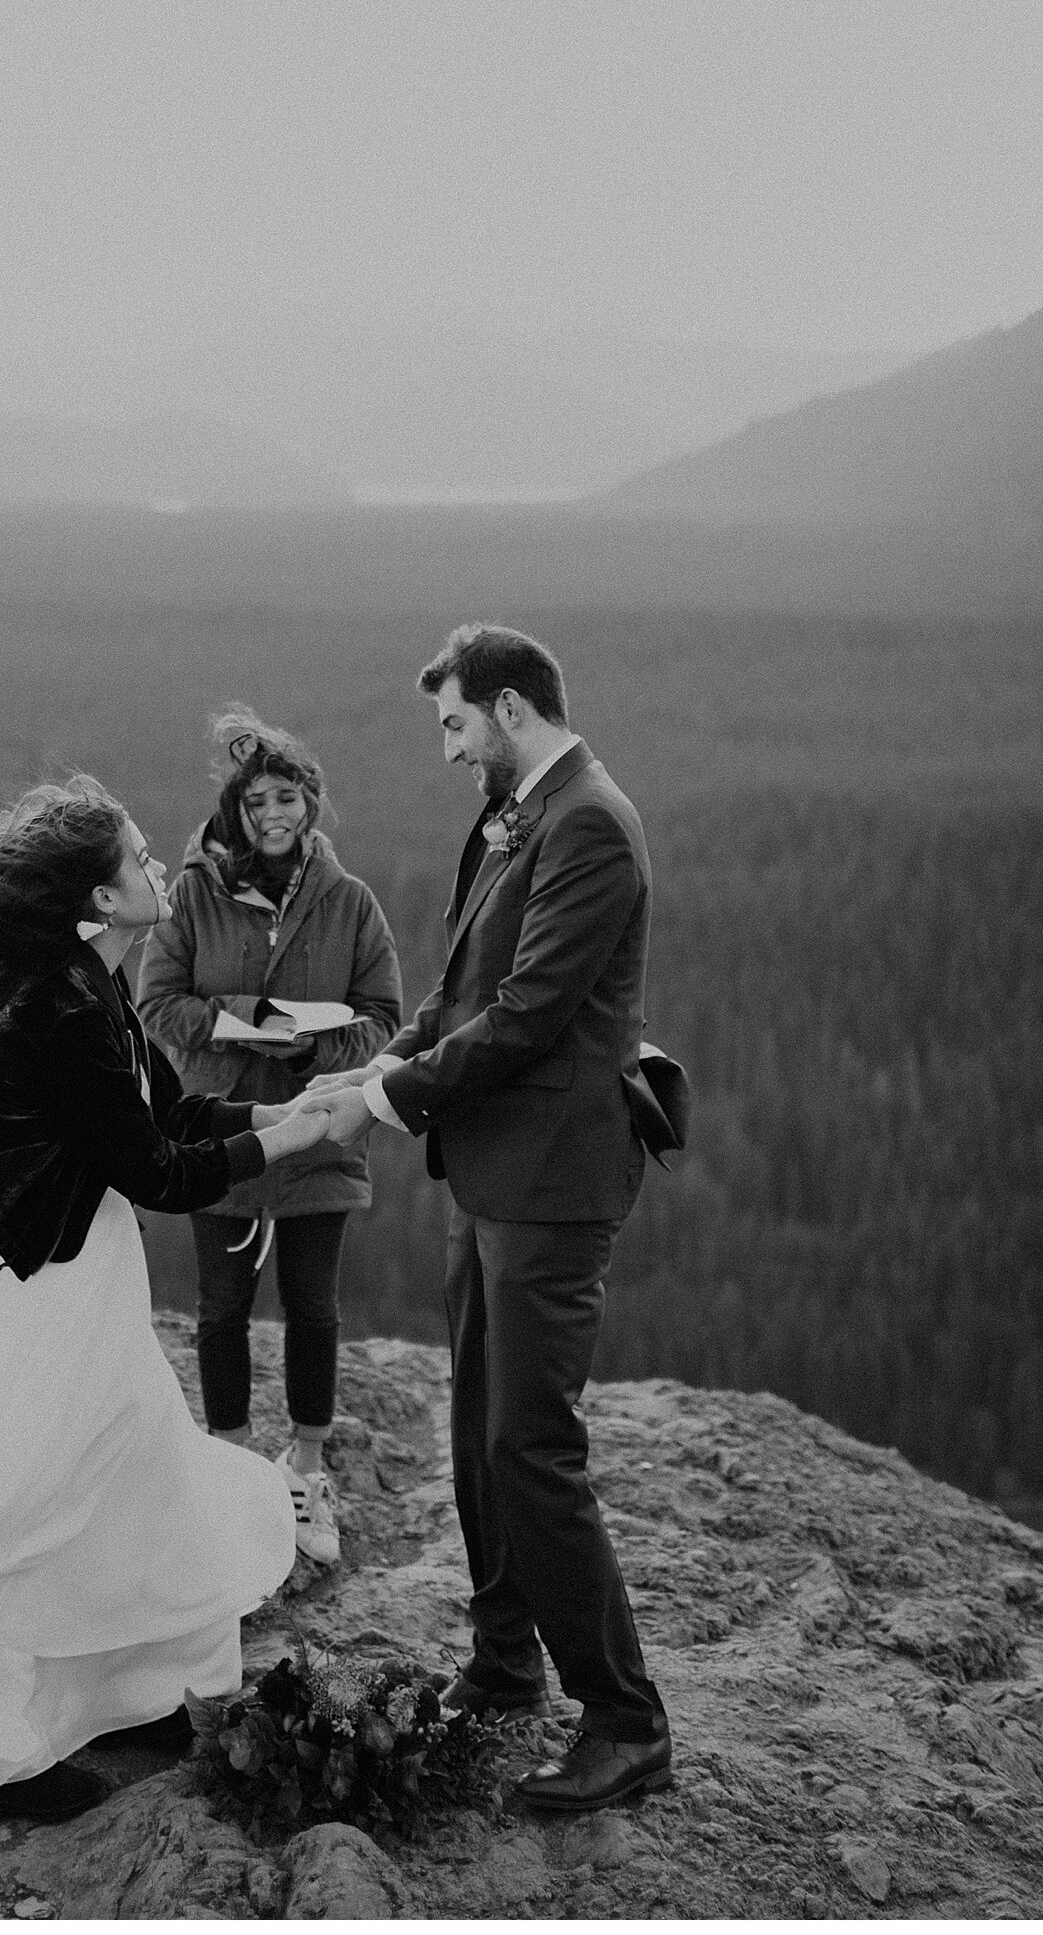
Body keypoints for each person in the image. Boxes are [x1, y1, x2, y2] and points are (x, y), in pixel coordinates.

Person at [0, 769, 332, 1825]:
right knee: (35, 1497)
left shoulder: (101, 993)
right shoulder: (66, 1009)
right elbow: (156, 1169)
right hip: (58, 1282)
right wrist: (297, 1137)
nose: (158, 868)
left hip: (88, 1270)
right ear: (100, 903)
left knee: (131, 1467)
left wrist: (299, 1097)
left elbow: (177, 1108)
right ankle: (3, 1760)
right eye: (138, 859)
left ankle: (124, 1682)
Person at [303, 624, 673, 1814]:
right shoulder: (521, 814)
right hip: (487, 1176)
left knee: (529, 1445)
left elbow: (526, 1014)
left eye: (457, 726)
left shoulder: (590, 824)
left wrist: (383, 1101)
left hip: (555, 1182)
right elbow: (462, 988)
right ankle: (506, 1660)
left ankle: (625, 1720)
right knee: (475, 1429)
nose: (453, 753)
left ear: (511, 709)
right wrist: (362, 1072)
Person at [137, 708, 401, 1567]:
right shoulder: (193, 896)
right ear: (235, 810)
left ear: (310, 802)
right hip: (226, 1135)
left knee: (314, 1309)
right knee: (221, 1310)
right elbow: (157, 1006)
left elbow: (388, 1021)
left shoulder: (351, 903)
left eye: (288, 797)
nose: (275, 816)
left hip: (322, 1129)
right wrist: (239, 1023)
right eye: (257, 803)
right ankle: (231, 1468)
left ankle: (307, 1475)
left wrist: (315, 1043)